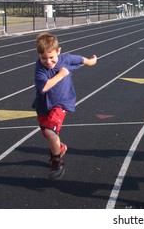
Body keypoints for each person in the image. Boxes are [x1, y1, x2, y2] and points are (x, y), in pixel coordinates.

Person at [32, 32, 97, 179]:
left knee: (50, 131)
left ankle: (57, 162)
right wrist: (61, 74)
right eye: (44, 58)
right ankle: (60, 148)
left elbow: (82, 60)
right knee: (48, 134)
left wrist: (92, 61)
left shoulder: (66, 59)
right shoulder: (40, 68)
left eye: (52, 58)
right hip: (43, 105)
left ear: (58, 51)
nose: (48, 62)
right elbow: (44, 87)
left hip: (62, 103)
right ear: (38, 56)